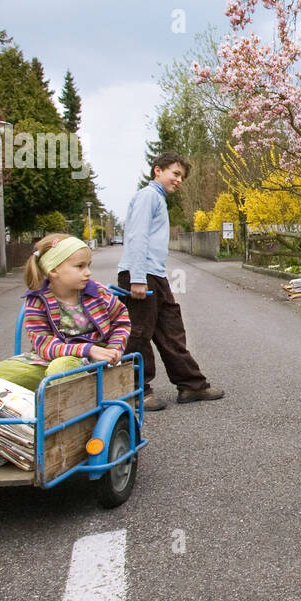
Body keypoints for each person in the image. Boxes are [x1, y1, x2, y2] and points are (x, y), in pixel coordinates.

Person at [118, 153, 224, 411]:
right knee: (138, 334)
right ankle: (136, 392)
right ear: (158, 170)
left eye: (181, 177)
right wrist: (138, 278)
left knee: (171, 330)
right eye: (175, 174)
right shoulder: (148, 196)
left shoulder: (158, 199)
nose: (178, 180)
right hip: (140, 275)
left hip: (155, 275)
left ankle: (191, 385)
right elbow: (137, 237)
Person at [0, 233, 130, 389]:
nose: (88, 272)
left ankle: (70, 401)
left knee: (62, 368)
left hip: (94, 360)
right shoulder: (37, 300)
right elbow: (43, 344)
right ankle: (46, 394)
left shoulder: (98, 293)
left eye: (88, 265)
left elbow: (121, 321)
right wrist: (86, 349)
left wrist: (114, 349)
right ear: (53, 270)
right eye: (80, 266)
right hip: (49, 359)